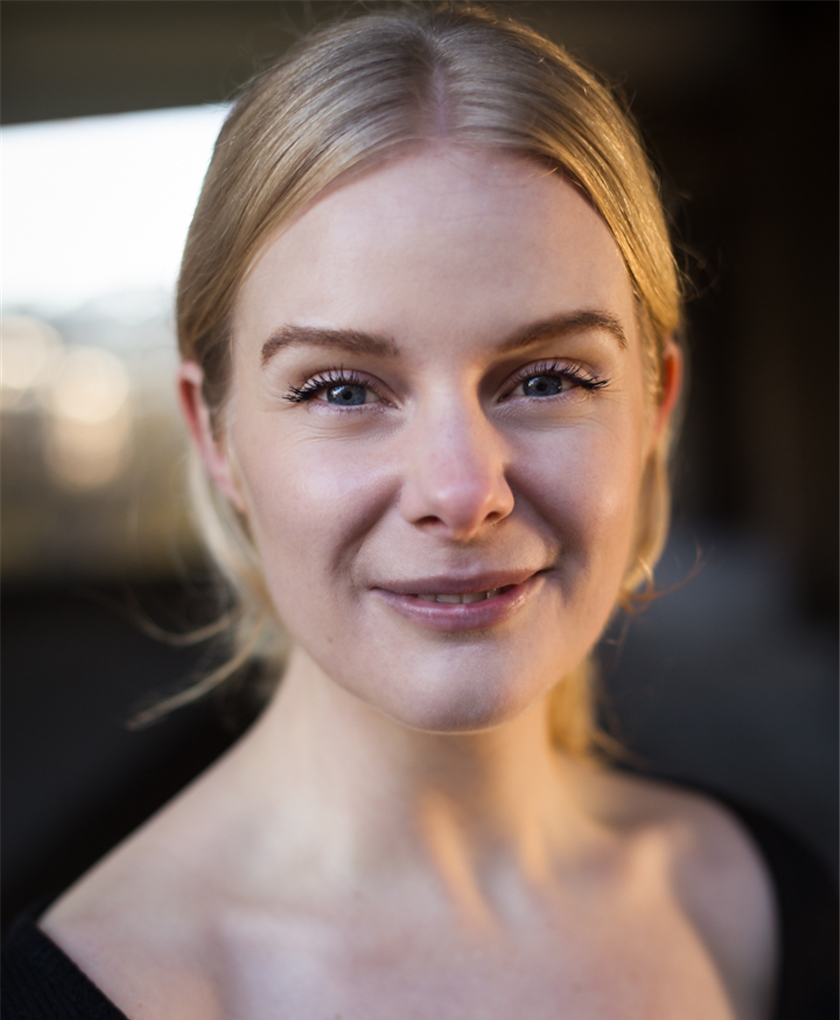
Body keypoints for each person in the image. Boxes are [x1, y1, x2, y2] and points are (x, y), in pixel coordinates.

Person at [3, 6, 836, 1018]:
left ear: (655, 412)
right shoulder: (86, 992)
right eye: (343, 390)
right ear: (215, 436)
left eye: (548, 378)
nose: (460, 492)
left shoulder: (767, 912)